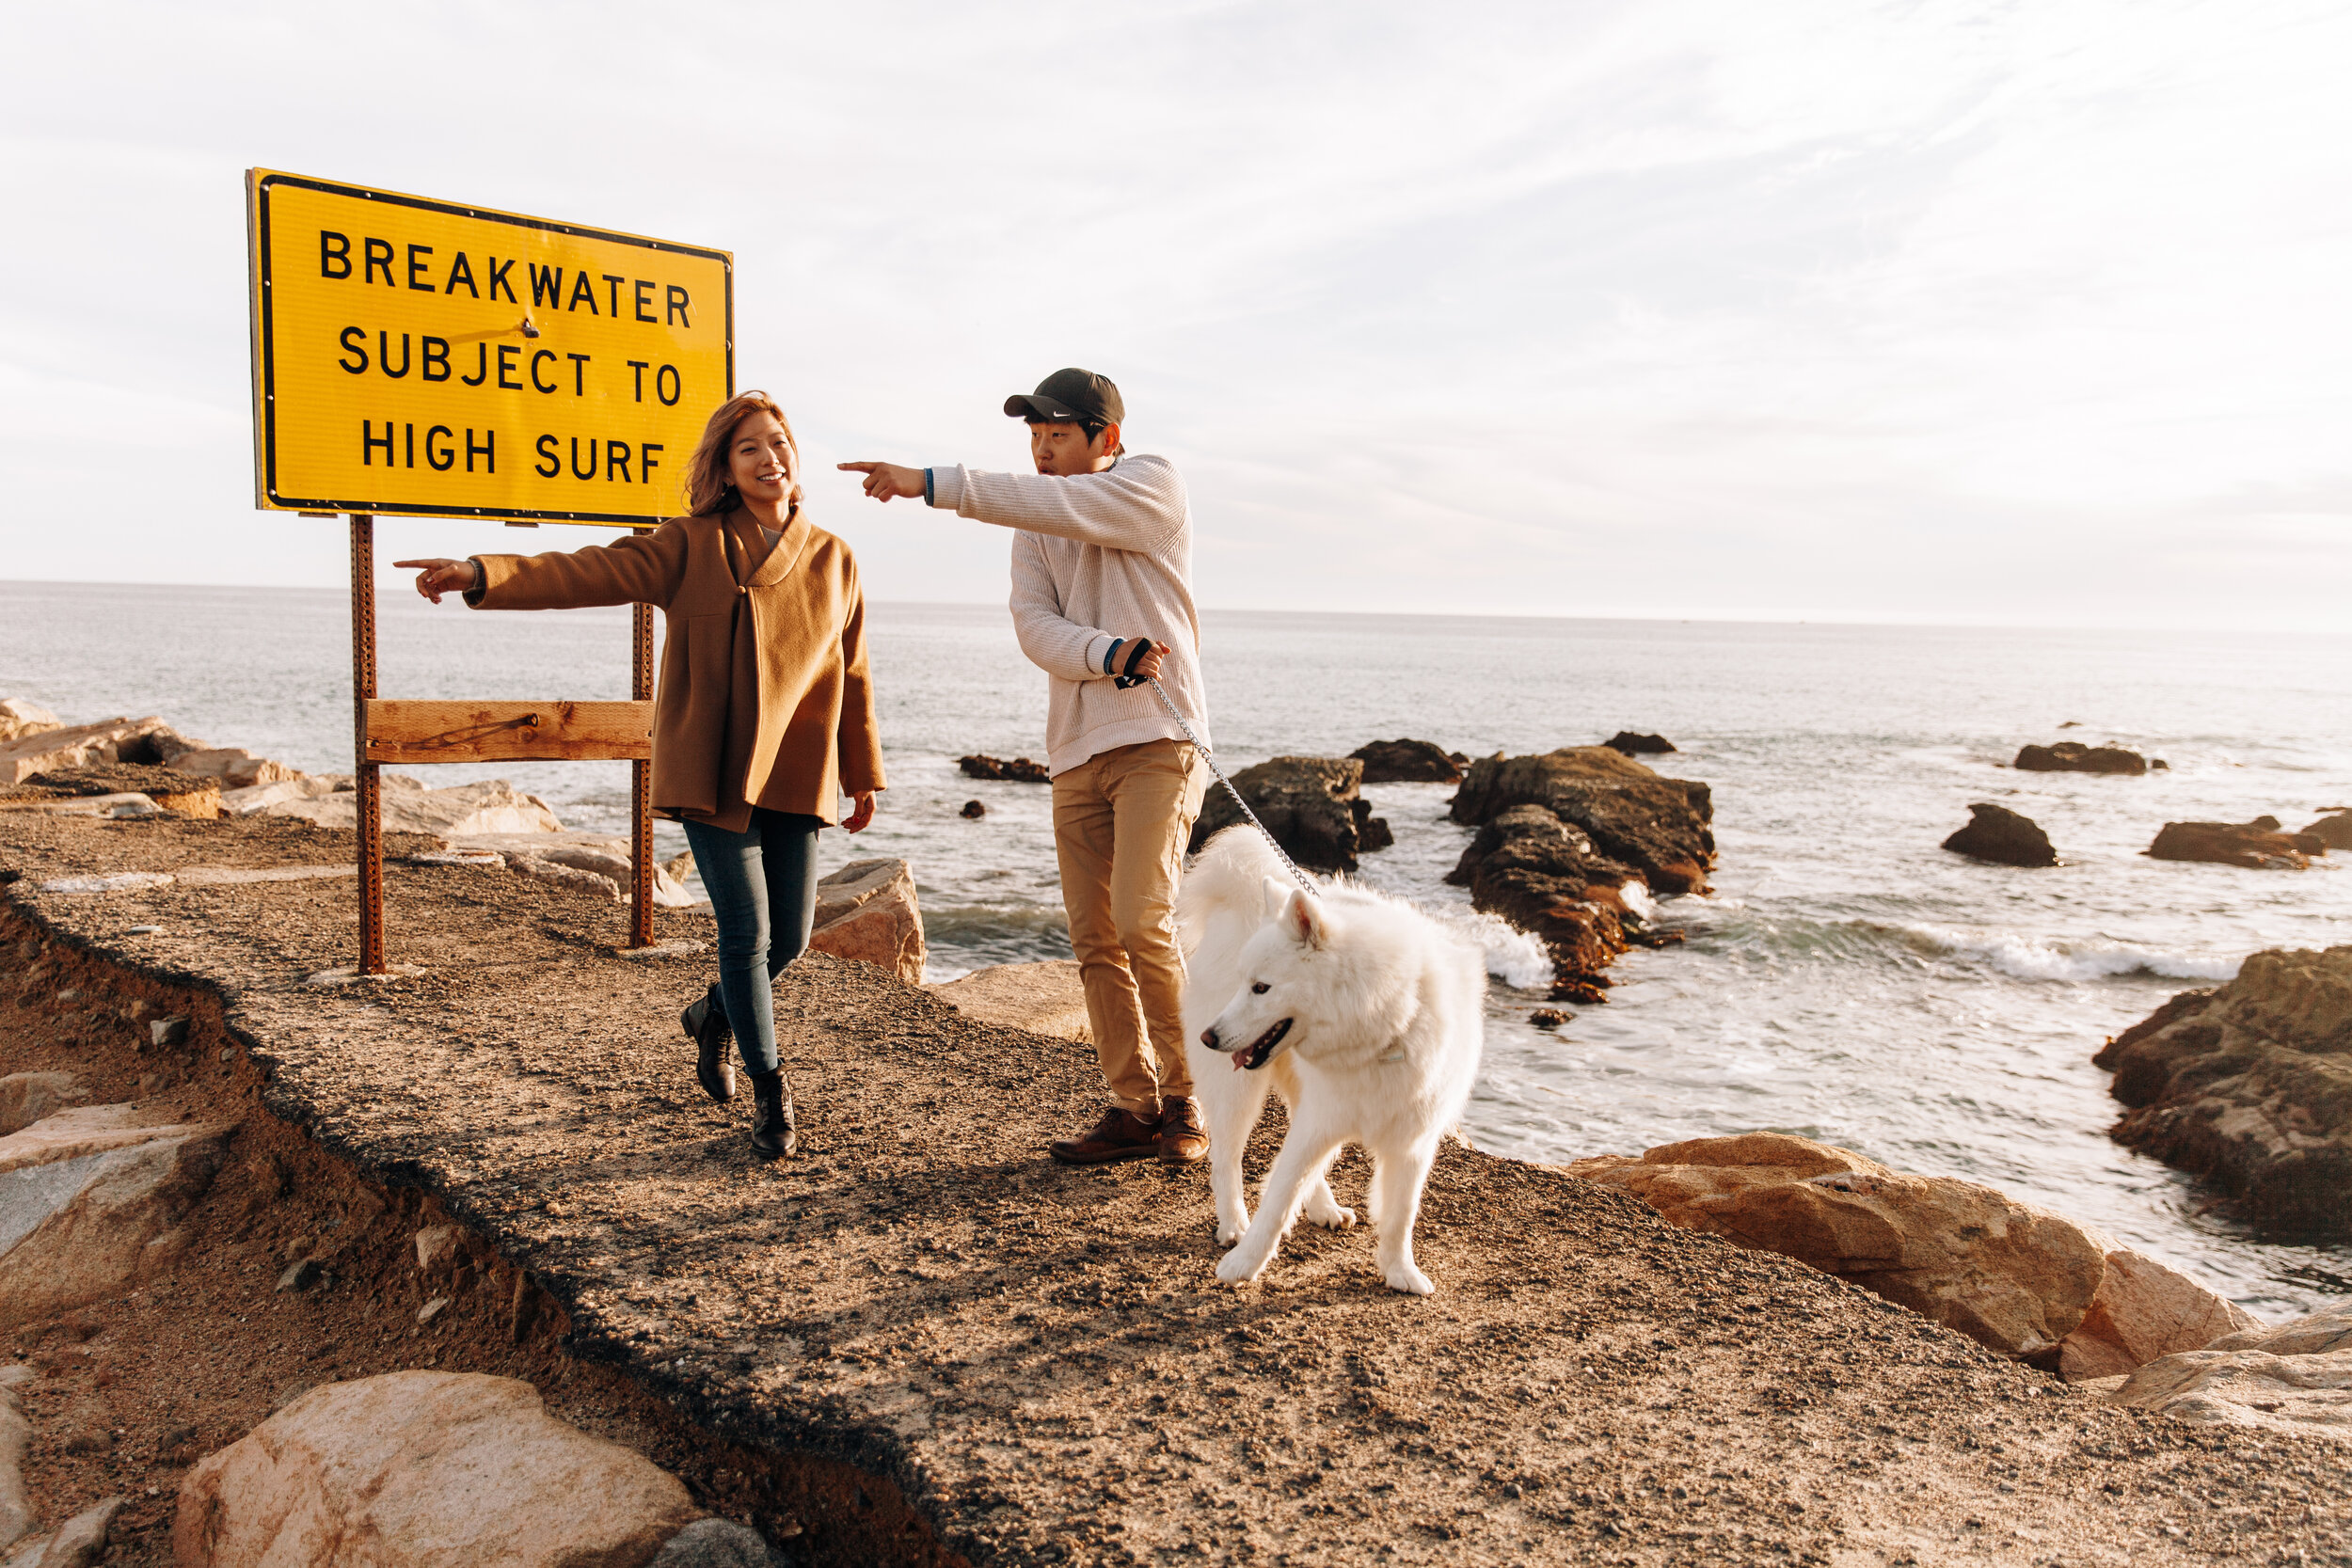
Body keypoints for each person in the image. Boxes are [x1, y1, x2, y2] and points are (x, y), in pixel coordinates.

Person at [395, 390, 883, 1160]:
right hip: (709, 769)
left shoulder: (835, 558)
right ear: (725, 469)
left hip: (795, 769)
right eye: (749, 447)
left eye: (779, 442)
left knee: (787, 939)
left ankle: (711, 1015)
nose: (770, 458)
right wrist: (481, 572)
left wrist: (863, 773)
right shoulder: (688, 545)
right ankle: (771, 1088)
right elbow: (586, 571)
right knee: (747, 931)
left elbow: (852, 673)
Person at [841, 368, 1211, 1167]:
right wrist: (1106, 651)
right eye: (1034, 440)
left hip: (1157, 741)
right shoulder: (1034, 525)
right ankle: (1133, 1104)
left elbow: (1068, 505)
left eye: (1057, 437)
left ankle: (1189, 1099)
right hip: (1077, 750)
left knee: (1142, 918)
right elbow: (1035, 628)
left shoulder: (1152, 484)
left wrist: (930, 483)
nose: (1042, 454)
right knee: (1094, 937)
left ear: (1106, 440)